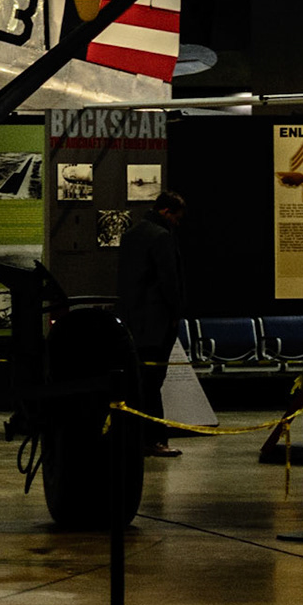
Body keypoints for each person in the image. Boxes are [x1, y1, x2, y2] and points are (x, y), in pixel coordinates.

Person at [116, 190, 187, 458]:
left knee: (137, 383)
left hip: (132, 320)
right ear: (166, 212)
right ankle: (155, 439)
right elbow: (169, 281)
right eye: (176, 218)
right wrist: (176, 313)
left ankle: (134, 437)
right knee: (153, 382)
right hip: (157, 323)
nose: (177, 224)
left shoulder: (130, 235)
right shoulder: (162, 237)